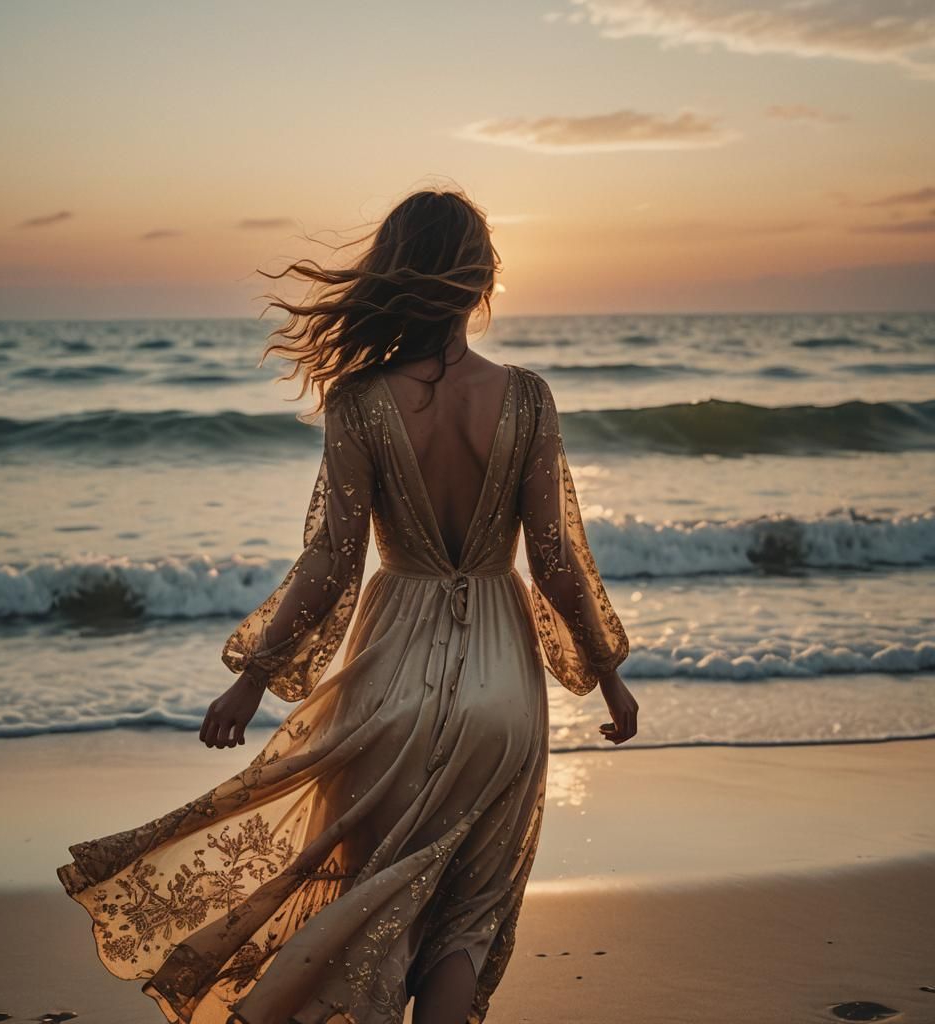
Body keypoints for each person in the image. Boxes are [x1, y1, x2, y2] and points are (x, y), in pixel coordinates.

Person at [57, 186, 638, 1024]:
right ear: (481, 282)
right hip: (504, 689)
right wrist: (608, 675)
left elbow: (331, 564)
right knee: (466, 925)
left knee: (371, 910)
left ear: (393, 277)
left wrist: (254, 677)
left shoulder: (360, 402)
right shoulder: (529, 397)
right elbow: (552, 560)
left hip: (390, 673)